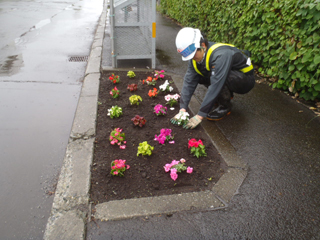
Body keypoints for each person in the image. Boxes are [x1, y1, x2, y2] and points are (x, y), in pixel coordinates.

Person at [171, 27, 255, 129]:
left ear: (202, 45)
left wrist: (200, 116)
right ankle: (223, 96)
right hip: (228, 75)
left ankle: (225, 106)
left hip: (245, 80)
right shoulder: (196, 56)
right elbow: (189, 81)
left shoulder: (221, 55)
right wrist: (182, 109)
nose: (192, 58)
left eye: (193, 55)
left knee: (215, 76)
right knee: (200, 73)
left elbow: (216, 84)